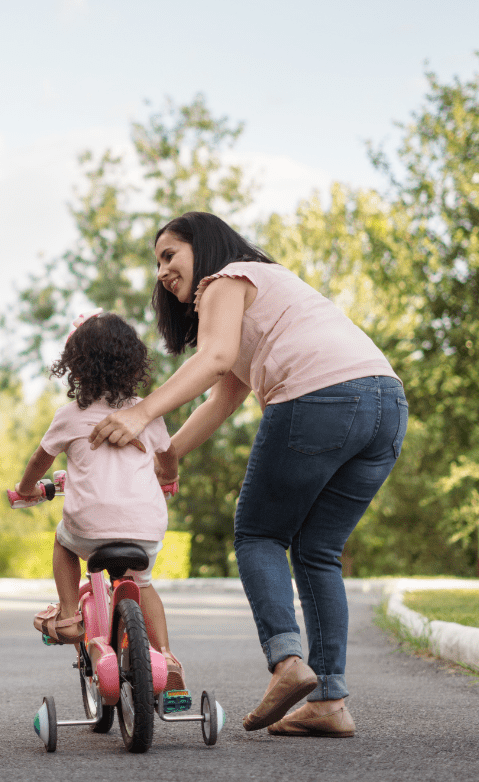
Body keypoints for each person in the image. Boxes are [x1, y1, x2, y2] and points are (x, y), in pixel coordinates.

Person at [88, 212, 408, 738]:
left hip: (320, 397)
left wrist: (140, 414)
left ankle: (287, 661)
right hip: (386, 404)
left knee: (259, 533)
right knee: (316, 551)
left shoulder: (226, 278)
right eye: (158, 264)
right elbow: (226, 393)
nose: (163, 272)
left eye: (170, 255)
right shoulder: (273, 288)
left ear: (205, 245)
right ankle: (329, 701)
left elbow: (212, 360)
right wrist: (169, 455)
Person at [13, 312, 187, 689]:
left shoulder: (69, 416)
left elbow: (38, 461)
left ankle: (70, 615)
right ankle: (167, 657)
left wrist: (27, 489)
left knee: (62, 541)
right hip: (144, 528)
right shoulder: (147, 413)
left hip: (89, 529)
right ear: (134, 364)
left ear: (75, 368)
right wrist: (168, 478)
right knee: (143, 583)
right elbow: (169, 456)